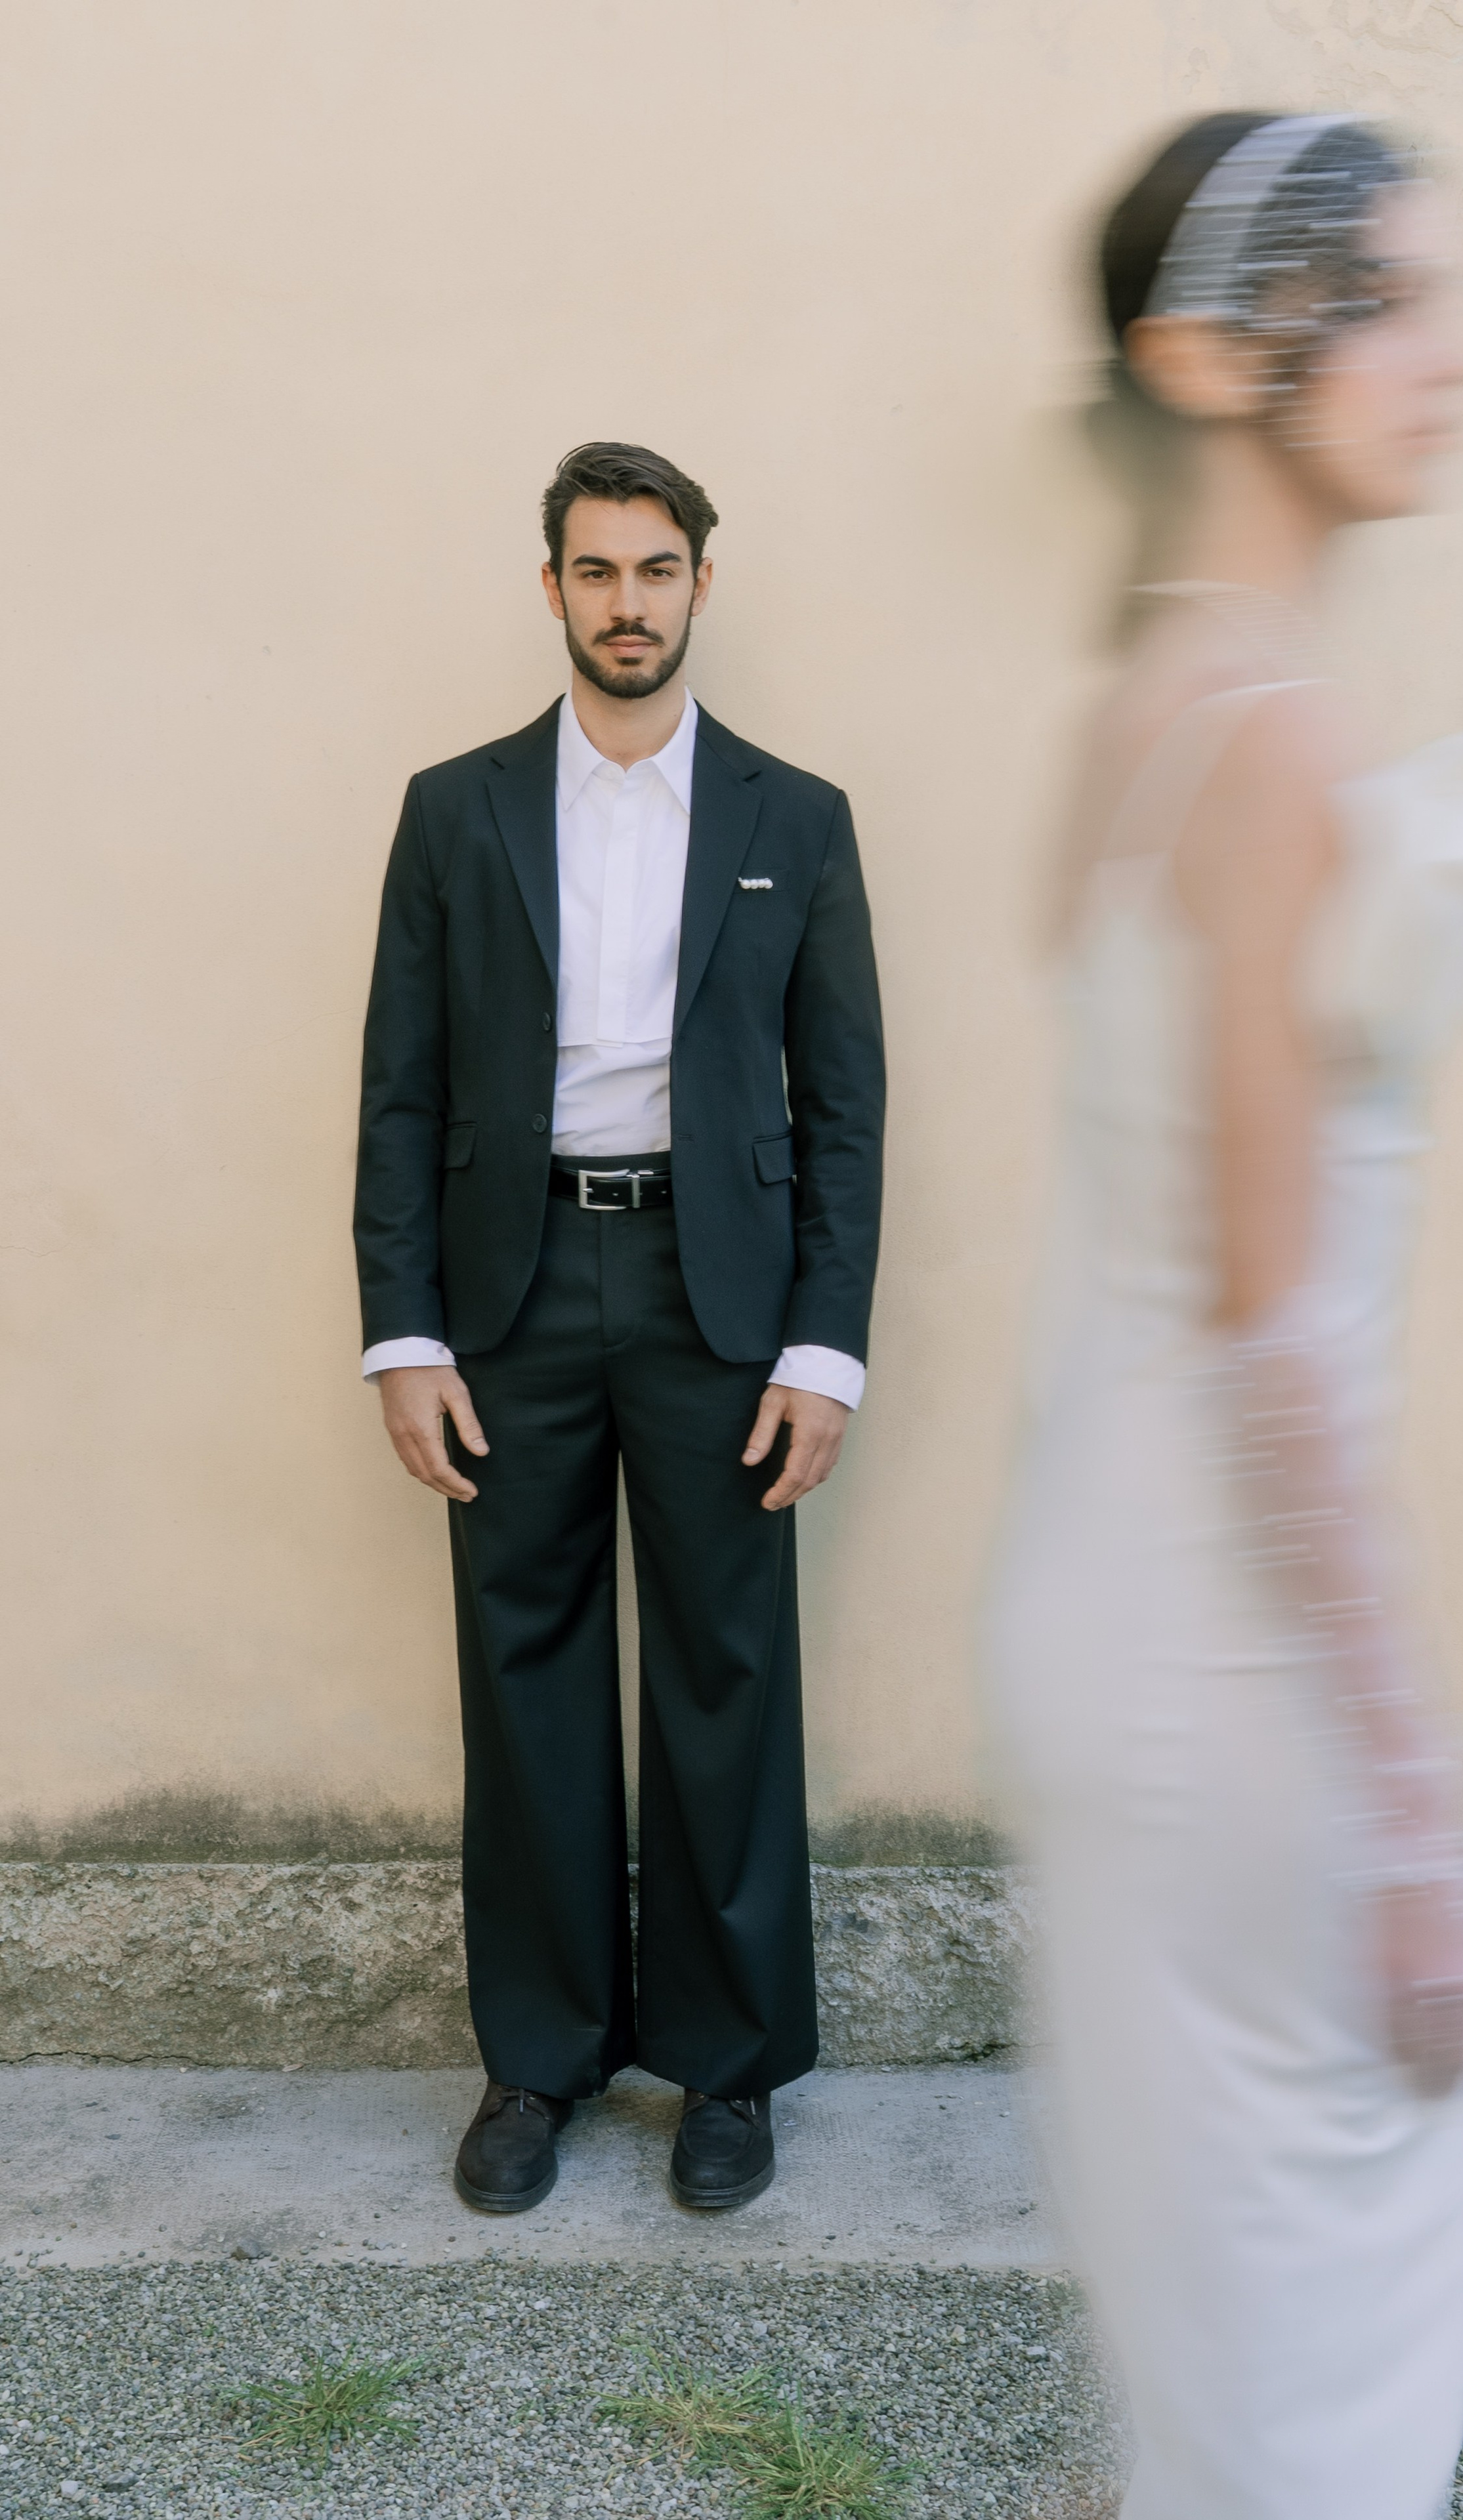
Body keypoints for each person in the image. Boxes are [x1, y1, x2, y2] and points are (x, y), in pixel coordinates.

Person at [986, 116, 1463, 2518]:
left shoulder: (1138, 706)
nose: (1456, 359)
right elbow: (1269, 1338)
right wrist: (1417, 1820)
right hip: (1227, 1660)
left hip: (1113, 1600)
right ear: (1213, 357)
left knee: (1240, 2312)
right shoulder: (1269, 745)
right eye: (1396, 306)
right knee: (1334, 2342)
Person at [355, 442, 885, 2215]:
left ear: (700, 587)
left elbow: (845, 1107)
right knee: (526, 1679)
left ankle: (725, 2069)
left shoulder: (792, 820)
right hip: (509, 1294)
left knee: (727, 1674)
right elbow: (399, 1092)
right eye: (596, 571)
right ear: (554, 589)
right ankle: (540, 2058)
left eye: (657, 570)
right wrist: (402, 1334)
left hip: (713, 1300)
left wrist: (823, 1345)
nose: (628, 603)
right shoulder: (458, 809)